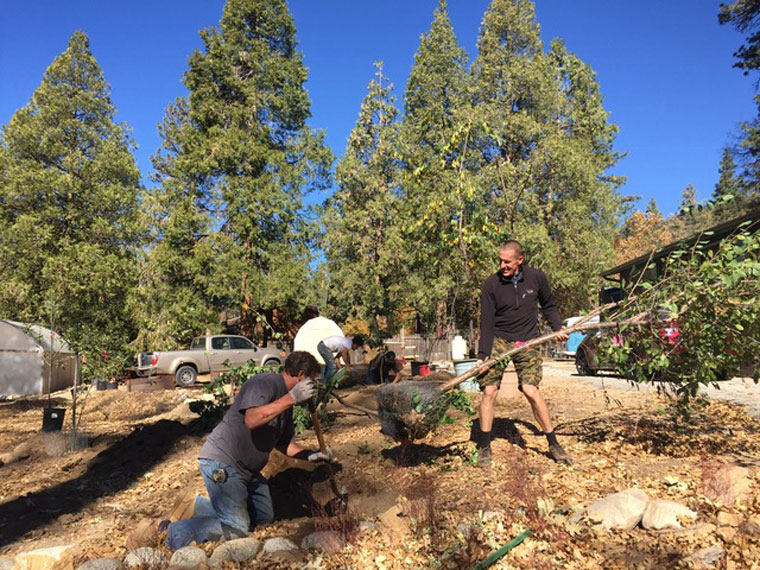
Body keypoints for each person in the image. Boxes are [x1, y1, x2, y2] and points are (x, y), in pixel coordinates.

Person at [165, 351, 332, 550]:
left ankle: (196, 506)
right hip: (223, 463)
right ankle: (175, 532)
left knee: (263, 517)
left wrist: (310, 454)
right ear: (301, 376)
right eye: (311, 382)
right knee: (238, 529)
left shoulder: (286, 406)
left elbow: (284, 444)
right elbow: (252, 419)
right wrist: (291, 398)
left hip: (248, 472)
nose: (312, 389)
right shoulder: (264, 384)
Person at [475, 240, 571, 467]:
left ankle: (553, 443)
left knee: (530, 389)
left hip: (528, 340)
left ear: (520, 259)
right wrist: (483, 355)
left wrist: (558, 327)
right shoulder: (491, 284)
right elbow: (486, 321)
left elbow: (548, 306)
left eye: (507, 261)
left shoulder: (537, 278)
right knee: (489, 391)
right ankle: (484, 446)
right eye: (500, 260)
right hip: (499, 339)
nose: (502, 265)